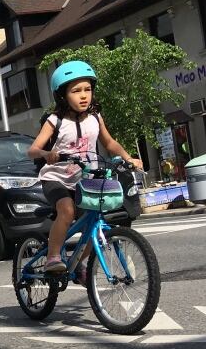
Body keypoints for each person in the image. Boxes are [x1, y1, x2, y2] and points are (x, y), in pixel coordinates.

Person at [27, 61, 142, 283]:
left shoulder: (95, 118)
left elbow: (109, 143)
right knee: (67, 210)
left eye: (87, 89)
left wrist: (129, 158)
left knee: (96, 218)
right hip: (56, 178)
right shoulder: (55, 120)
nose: (83, 96)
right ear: (62, 95)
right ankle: (52, 257)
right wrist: (46, 153)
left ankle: (79, 262)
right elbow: (31, 150)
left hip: (85, 178)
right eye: (76, 91)